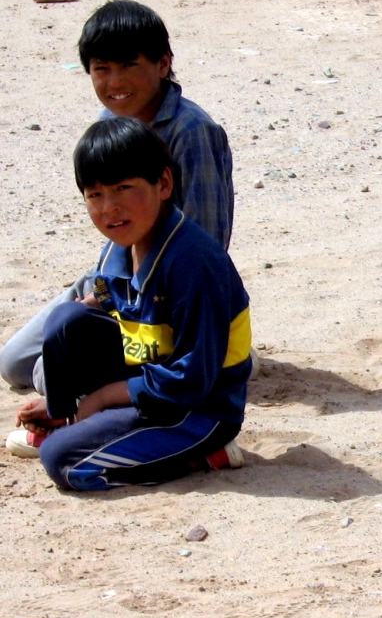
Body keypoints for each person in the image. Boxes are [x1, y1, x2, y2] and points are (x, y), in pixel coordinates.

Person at [0, 0, 234, 394]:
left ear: (163, 64)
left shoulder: (192, 132)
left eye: (128, 66)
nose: (115, 83)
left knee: (51, 372)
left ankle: (218, 346)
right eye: (102, 69)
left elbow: (208, 239)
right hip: (113, 281)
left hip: (165, 293)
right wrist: (99, 296)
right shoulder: (109, 123)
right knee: (16, 364)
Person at [5, 117, 250, 489]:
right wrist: (67, 399)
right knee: (66, 319)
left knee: (62, 461)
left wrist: (102, 398)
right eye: (95, 195)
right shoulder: (122, 246)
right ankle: (67, 419)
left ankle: (197, 454)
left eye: (123, 188)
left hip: (199, 407)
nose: (109, 208)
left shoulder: (193, 262)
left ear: (163, 183)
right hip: (150, 376)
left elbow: (191, 380)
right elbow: (105, 297)